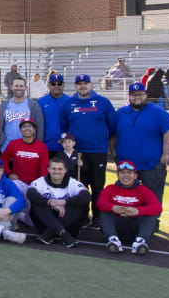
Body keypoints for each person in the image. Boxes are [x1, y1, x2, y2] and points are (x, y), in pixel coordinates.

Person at [60, 74, 116, 228]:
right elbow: (64, 125)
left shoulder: (103, 102)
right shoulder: (68, 104)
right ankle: (82, 216)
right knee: (80, 186)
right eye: (79, 84)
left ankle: (97, 217)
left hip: (98, 151)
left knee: (98, 185)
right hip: (78, 152)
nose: (82, 86)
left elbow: (112, 125)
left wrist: (100, 138)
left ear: (91, 85)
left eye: (85, 83)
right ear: (75, 86)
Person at [112, 82, 169, 211]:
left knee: (152, 196)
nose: (137, 97)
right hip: (126, 164)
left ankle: (152, 222)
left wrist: (166, 153)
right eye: (133, 95)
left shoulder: (157, 111)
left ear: (146, 94)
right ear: (129, 96)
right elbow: (112, 134)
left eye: (140, 94)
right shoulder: (120, 113)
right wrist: (113, 152)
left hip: (151, 163)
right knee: (127, 195)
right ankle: (130, 221)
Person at [98, 161, 162, 255]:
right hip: (118, 226)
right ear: (118, 175)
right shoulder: (110, 188)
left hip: (135, 227)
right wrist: (113, 207)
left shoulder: (143, 190)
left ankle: (140, 242)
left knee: (151, 215)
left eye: (129, 173)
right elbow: (100, 203)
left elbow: (157, 207)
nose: (125, 176)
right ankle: (113, 240)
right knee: (105, 212)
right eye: (122, 173)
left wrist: (138, 211)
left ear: (135, 175)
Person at [26, 157, 89, 247]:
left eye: (60, 169)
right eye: (53, 169)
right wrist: (50, 202)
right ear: (48, 170)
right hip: (45, 225)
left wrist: (64, 202)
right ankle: (64, 235)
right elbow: (30, 193)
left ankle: (49, 234)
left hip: (68, 225)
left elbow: (86, 196)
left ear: (65, 170)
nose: (57, 171)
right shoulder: (41, 181)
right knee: (37, 203)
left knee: (81, 204)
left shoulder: (72, 182)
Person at [0, 118, 49, 198]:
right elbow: (3, 160)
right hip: (18, 182)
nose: (26, 128)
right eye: (24, 126)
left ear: (34, 130)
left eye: (29, 126)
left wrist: (41, 184)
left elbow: (44, 169)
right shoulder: (13, 144)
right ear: (20, 130)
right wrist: (8, 174)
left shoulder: (42, 147)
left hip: (35, 184)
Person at [0, 78, 44, 153]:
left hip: (27, 150)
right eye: (16, 86)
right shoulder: (3, 106)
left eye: (21, 86)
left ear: (25, 87)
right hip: (6, 149)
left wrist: (38, 147)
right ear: (11, 87)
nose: (19, 88)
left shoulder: (33, 105)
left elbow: (39, 127)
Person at [37, 73, 69, 157]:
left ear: (63, 85)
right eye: (53, 84)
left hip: (65, 146)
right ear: (49, 85)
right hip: (46, 146)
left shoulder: (70, 101)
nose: (56, 86)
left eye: (59, 84)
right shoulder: (40, 102)